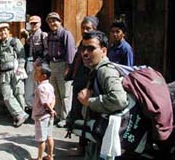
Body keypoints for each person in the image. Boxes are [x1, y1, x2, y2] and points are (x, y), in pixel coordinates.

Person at [77, 30, 128, 160]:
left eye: (91, 48)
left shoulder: (105, 71)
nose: (85, 53)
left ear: (104, 51)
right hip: (99, 136)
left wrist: (89, 101)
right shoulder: (95, 69)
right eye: (83, 48)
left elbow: (119, 100)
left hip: (106, 138)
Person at [66, 16, 99, 156]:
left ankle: (84, 147)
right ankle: (81, 146)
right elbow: (76, 61)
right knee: (78, 114)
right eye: (83, 28)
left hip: (88, 86)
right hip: (78, 83)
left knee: (87, 116)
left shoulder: (95, 45)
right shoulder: (82, 44)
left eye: (88, 28)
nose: (85, 31)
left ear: (95, 29)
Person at [0, 23, 29, 127]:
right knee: (7, 95)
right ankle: (20, 114)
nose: (2, 32)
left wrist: (21, 67)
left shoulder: (14, 41)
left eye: (4, 30)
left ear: (8, 31)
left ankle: (18, 117)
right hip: (4, 73)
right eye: (0, 31)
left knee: (19, 93)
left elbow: (22, 55)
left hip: (16, 71)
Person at [46, 12, 77, 128]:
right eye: (50, 21)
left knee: (65, 94)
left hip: (63, 65)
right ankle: (58, 115)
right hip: (53, 65)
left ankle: (66, 118)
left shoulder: (65, 34)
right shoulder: (50, 35)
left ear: (60, 21)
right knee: (55, 93)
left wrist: (68, 68)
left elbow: (70, 52)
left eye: (54, 20)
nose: (52, 23)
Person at [31, 63, 56, 160]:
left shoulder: (40, 88)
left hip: (41, 117)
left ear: (44, 76)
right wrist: (52, 111)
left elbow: (44, 103)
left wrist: (49, 110)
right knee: (49, 136)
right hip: (49, 116)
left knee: (41, 139)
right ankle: (50, 155)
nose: (35, 74)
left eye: (37, 73)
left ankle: (39, 158)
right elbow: (53, 99)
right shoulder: (50, 86)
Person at [24, 15, 48, 111]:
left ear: (40, 23)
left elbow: (46, 51)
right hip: (30, 63)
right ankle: (32, 107)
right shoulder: (31, 35)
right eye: (32, 23)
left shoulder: (43, 35)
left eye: (35, 23)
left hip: (39, 65)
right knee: (30, 86)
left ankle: (41, 107)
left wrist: (39, 61)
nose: (33, 25)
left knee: (39, 87)